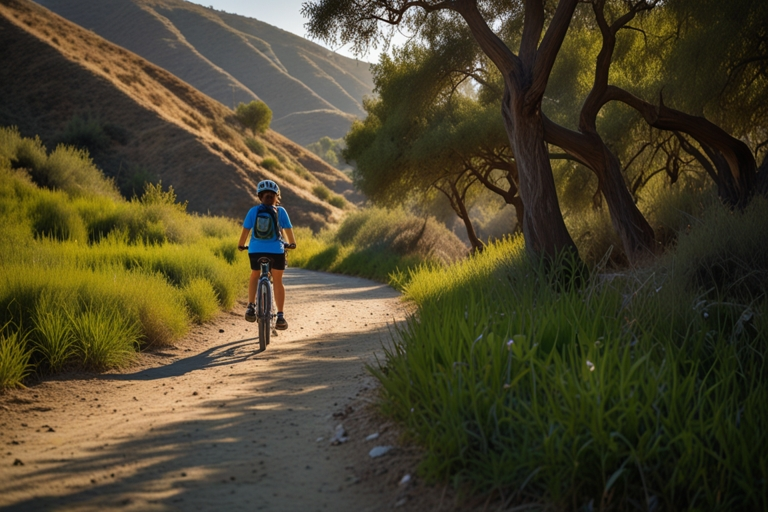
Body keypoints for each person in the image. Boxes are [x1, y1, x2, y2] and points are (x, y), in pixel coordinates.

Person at [238, 179, 296, 329]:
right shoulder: (281, 211)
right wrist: (292, 244)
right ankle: (281, 317)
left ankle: (251, 306)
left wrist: (241, 245)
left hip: (255, 250)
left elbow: (245, 232)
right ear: (277, 197)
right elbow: (289, 233)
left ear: (260, 197)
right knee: (278, 280)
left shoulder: (254, 211)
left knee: (254, 275)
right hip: (276, 251)